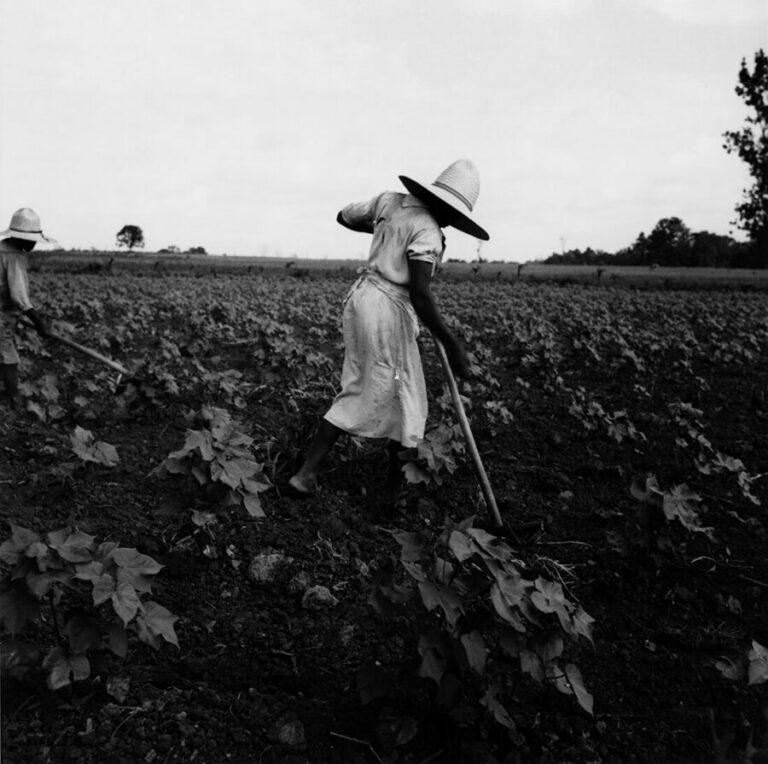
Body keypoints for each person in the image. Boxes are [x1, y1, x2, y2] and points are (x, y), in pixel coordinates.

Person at [288, 158, 490, 507]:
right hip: (386, 310)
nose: (452, 223)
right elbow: (420, 295)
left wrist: (388, 232)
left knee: (365, 387)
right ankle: (386, 497)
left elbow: (344, 215)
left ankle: (307, 474)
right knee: (408, 402)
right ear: (448, 209)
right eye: (454, 217)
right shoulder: (428, 232)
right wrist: (453, 344)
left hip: (361, 299)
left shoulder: (390, 203)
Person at [0, 208, 55, 410]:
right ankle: (14, 397)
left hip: (4, 312)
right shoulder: (14, 256)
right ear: (19, 238)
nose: (33, 244)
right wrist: (38, 322)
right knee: (8, 355)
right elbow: (18, 294)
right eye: (31, 240)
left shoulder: (1, 248)